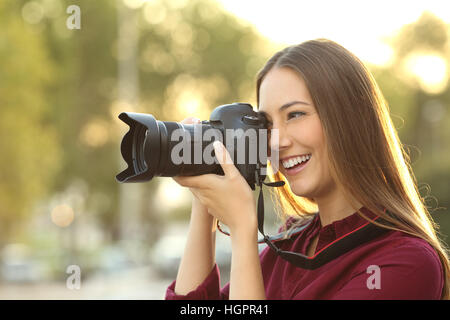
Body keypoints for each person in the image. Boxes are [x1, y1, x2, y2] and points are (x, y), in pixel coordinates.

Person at [164, 39, 449, 300]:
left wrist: (242, 229)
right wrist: (204, 201)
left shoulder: (406, 262)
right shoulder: (290, 245)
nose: (276, 141)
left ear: (349, 119)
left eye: (295, 115)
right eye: (267, 124)